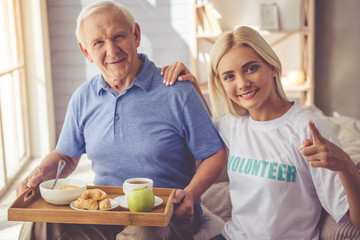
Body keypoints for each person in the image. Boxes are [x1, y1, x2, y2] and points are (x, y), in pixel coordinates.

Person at [16, 1, 226, 239]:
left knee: (144, 231)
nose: (112, 49)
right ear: (86, 51)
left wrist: (191, 193)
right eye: (98, 42)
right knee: (39, 222)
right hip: (105, 211)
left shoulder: (176, 90)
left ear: (136, 35)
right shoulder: (83, 98)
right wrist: (41, 172)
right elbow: (66, 156)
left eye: (118, 36)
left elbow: (214, 153)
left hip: (166, 214)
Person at [161, 26, 360, 239]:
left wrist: (347, 167)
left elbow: (355, 219)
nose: (243, 83)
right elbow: (205, 134)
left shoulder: (307, 129)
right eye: (229, 76)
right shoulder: (232, 125)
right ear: (221, 83)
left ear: (272, 67)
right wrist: (191, 86)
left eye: (250, 68)